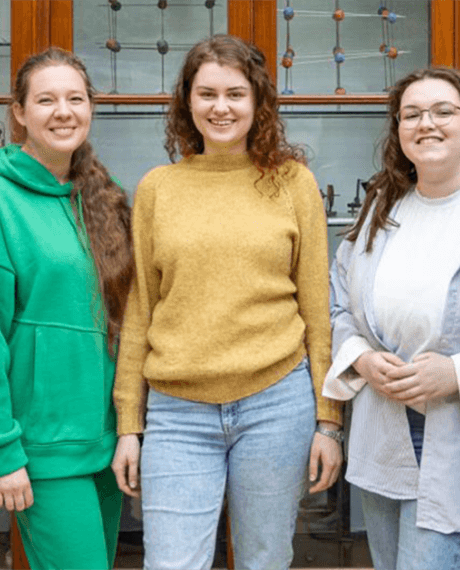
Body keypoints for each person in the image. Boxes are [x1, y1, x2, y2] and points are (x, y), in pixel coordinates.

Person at [111, 34, 344, 569]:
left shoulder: (292, 184)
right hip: (177, 409)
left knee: (264, 559)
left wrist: (328, 422)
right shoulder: (157, 188)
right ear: (187, 102)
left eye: (235, 94)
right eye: (207, 93)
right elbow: (140, 310)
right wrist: (130, 424)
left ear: (258, 101)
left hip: (276, 404)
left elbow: (316, 312)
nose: (221, 107)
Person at [0, 47, 133, 570]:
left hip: (106, 441)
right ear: (20, 112)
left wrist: (130, 429)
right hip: (42, 451)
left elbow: (123, 322)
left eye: (75, 98)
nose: (63, 111)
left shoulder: (102, 196)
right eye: (46, 100)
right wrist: (0, 453)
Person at [323, 66, 460, 569]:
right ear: (399, 131)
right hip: (383, 432)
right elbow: (339, 303)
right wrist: (361, 359)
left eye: (443, 111)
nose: (426, 123)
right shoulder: (381, 211)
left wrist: (458, 373)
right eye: (412, 114)